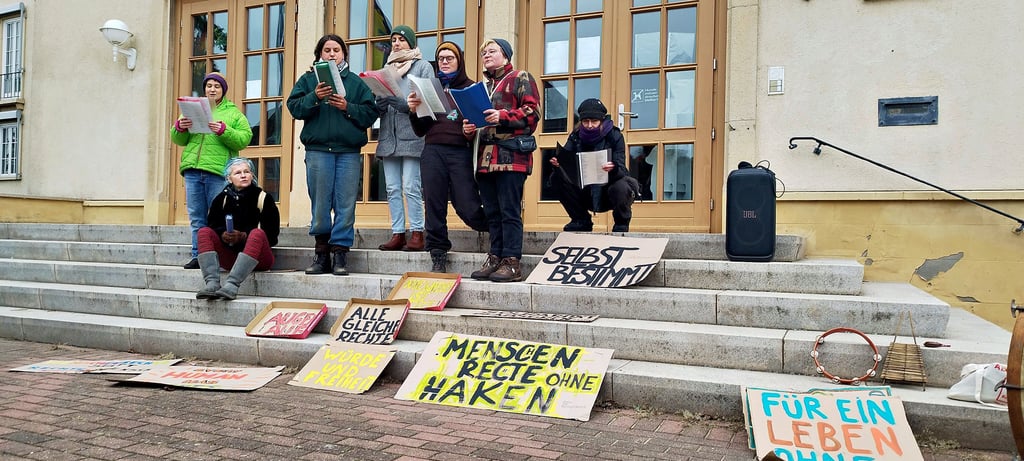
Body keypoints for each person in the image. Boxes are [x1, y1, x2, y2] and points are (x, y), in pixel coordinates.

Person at [286, 34, 377, 276]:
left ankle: (340, 255)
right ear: (319, 55)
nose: (332, 54)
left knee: (345, 205)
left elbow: (370, 114)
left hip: (347, 152)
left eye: (337, 49)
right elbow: (293, 108)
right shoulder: (307, 80)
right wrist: (314, 97)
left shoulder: (356, 84)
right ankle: (321, 254)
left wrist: (348, 107)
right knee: (320, 205)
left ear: (344, 54)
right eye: (327, 50)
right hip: (318, 152)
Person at [463, 38, 540, 283]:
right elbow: (479, 123)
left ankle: (512, 262)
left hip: (511, 157)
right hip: (485, 158)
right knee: (493, 212)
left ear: (506, 55)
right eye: (483, 52)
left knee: (509, 211)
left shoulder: (521, 77)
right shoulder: (483, 87)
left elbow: (532, 113)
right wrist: (469, 129)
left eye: (492, 51)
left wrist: (503, 116)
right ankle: (495, 257)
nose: (486, 54)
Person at [407, 41, 488, 273]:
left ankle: (497, 231)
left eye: (449, 58)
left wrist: (469, 132)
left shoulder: (471, 87)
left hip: (459, 151)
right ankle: (438, 254)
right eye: (441, 58)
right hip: (432, 150)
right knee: (434, 204)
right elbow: (420, 129)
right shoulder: (429, 88)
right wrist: (413, 111)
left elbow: (480, 125)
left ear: (459, 61)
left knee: (468, 205)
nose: (444, 61)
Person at [171, 72, 253, 270]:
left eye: (217, 86)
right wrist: (179, 128)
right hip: (192, 170)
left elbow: (245, 138)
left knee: (219, 216)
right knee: (197, 217)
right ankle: (199, 255)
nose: (212, 89)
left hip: (217, 171)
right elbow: (178, 140)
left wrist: (224, 130)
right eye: (209, 86)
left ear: (223, 90)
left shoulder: (233, 113)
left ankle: (220, 255)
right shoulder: (192, 109)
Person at [374, 25, 434, 253]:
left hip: (413, 135)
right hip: (389, 137)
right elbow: (379, 99)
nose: (397, 43)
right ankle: (398, 233)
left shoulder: (422, 66)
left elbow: (428, 102)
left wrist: (405, 106)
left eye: (401, 39)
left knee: (411, 186)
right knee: (391, 188)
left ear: (411, 42)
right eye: (394, 39)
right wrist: (378, 105)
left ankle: (417, 232)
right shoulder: (385, 69)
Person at [195, 157, 280, 300]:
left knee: (257, 233)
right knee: (204, 232)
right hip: (230, 257)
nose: (243, 175)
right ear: (229, 178)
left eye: (247, 172)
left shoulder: (264, 198)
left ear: (252, 176)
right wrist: (222, 234)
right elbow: (212, 226)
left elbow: (272, 236)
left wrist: (244, 236)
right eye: (238, 173)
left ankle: (232, 285)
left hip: (259, 259)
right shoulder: (221, 199)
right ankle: (212, 284)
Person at [548, 98, 638, 232]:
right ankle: (581, 220)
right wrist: (558, 164)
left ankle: (621, 225)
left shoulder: (614, 135)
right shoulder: (576, 136)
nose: (589, 125)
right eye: (585, 121)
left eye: (594, 121)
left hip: (608, 188)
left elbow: (623, 170)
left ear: (601, 121)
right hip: (585, 189)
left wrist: (613, 168)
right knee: (555, 178)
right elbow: (566, 158)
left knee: (622, 186)